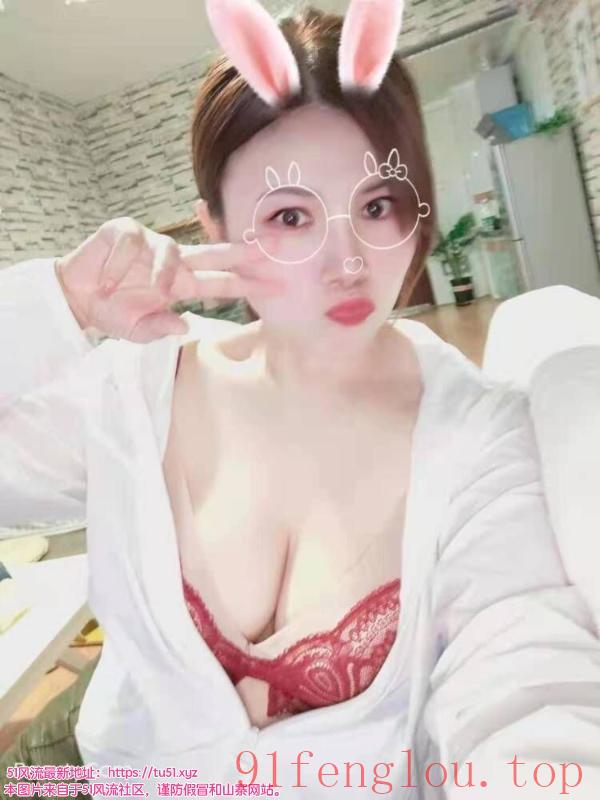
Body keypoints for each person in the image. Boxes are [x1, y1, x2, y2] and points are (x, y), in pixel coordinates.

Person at [2, 1, 600, 798]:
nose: (346, 262)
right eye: (290, 216)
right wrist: (58, 305)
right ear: (211, 225)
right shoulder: (134, 391)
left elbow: (523, 676)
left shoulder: (479, 434)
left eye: (377, 206)